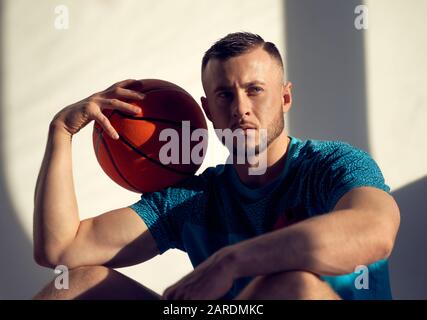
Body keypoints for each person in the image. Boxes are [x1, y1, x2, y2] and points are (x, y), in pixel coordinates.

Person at [33, 32, 400, 300]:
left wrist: (231, 262)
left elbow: (376, 230)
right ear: (208, 111)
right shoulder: (194, 198)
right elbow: (61, 250)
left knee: (291, 286)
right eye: (225, 94)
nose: (240, 107)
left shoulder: (330, 166)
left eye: (254, 89)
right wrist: (61, 131)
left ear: (285, 97)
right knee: (77, 283)